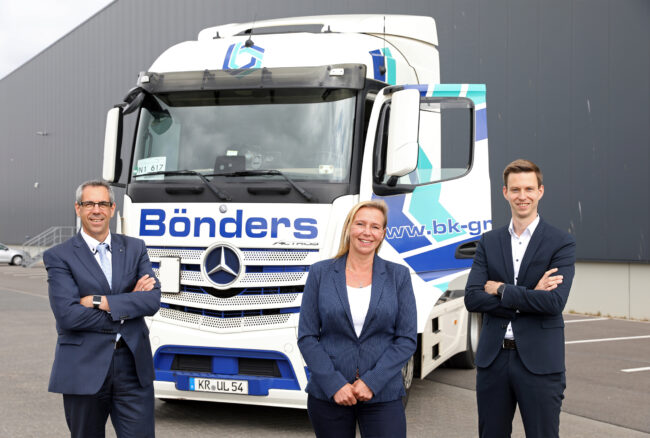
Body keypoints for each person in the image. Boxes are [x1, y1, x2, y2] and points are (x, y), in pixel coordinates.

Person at [464, 159, 576, 438]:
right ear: (505, 192)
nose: (522, 196)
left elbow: (553, 303)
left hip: (540, 362)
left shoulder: (560, 242)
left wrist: (503, 290)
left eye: (528, 189)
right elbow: (472, 299)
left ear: (540, 191)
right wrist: (530, 295)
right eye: (515, 189)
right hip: (493, 360)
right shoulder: (489, 242)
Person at [44, 180, 161, 438]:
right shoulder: (59, 256)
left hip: (132, 365)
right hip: (83, 367)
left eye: (102, 204)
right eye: (89, 204)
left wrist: (102, 302)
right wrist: (129, 305)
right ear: (78, 208)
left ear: (112, 208)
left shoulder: (135, 248)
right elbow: (69, 316)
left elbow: (152, 300)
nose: (96, 210)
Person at [298, 200, 417, 438]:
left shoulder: (399, 276)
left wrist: (372, 381)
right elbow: (307, 336)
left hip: (383, 393)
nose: (367, 232)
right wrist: (334, 384)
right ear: (348, 227)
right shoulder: (320, 272)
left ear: (383, 234)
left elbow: (406, 339)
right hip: (329, 394)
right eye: (360, 224)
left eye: (375, 227)